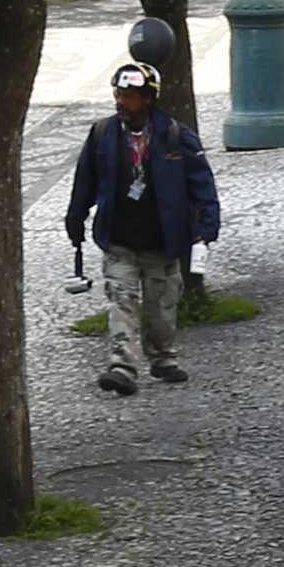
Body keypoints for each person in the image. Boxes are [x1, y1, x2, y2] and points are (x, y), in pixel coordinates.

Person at [66, 60, 222, 387]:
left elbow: (202, 184)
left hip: (162, 242)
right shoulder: (102, 134)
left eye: (128, 95)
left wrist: (207, 227)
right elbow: (85, 181)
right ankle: (122, 367)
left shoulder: (176, 136)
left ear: (148, 98)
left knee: (161, 310)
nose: (121, 101)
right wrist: (76, 218)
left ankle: (163, 357)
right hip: (119, 240)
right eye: (118, 94)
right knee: (121, 300)